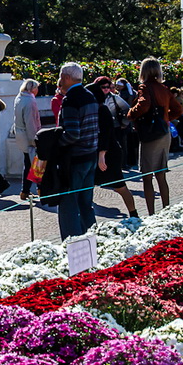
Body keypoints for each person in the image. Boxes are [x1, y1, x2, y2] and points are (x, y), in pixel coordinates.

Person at [127, 57, 183, 214]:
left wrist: (131, 113)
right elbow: (178, 110)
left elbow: (143, 105)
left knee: (146, 176)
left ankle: (152, 214)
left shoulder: (145, 87)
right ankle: (166, 210)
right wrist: (165, 118)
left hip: (151, 134)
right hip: (164, 132)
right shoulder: (164, 88)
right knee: (161, 174)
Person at [56, 62, 99, 240]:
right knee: (85, 204)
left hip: (75, 159)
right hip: (91, 155)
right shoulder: (90, 95)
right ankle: (94, 240)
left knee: (68, 205)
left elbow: (73, 134)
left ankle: (71, 245)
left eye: (60, 77)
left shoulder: (71, 99)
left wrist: (57, 143)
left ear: (66, 77)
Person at [86, 80, 138, 219]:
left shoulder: (102, 110)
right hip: (100, 152)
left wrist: (102, 155)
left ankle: (134, 213)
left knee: (119, 185)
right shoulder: (94, 109)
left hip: (109, 153)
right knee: (89, 184)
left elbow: (106, 133)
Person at [13, 79, 42, 200]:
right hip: (28, 135)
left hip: (20, 134)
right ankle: (41, 189)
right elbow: (30, 122)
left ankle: (25, 191)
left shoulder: (19, 98)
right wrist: (34, 140)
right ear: (33, 89)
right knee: (36, 164)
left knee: (28, 163)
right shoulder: (30, 101)